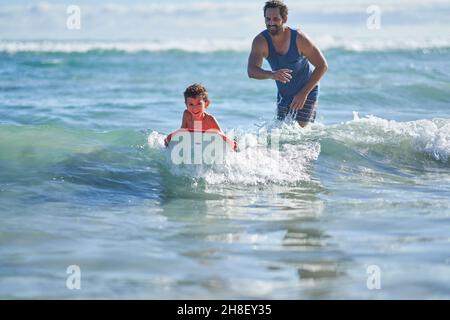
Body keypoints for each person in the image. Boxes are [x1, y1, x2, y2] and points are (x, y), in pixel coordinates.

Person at [247, 0, 328, 127]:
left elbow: (322, 65)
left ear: (284, 19)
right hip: (284, 95)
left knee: (299, 132)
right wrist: (272, 75)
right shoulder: (260, 41)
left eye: (275, 19)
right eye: (267, 19)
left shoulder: (299, 38)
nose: (271, 23)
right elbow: (251, 71)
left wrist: (303, 94)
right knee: (282, 134)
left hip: (306, 92)